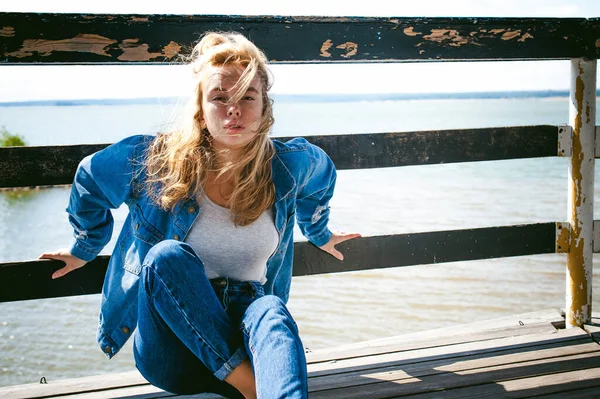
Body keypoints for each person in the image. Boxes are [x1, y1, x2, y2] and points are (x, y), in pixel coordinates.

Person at [39, 32, 360, 399]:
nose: (234, 110)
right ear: (201, 109)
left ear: (264, 107)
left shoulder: (289, 165)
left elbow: (322, 180)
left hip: (245, 326)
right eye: (220, 98)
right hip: (172, 350)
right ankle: (250, 387)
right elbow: (90, 177)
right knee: (166, 257)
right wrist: (85, 246)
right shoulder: (154, 161)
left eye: (246, 98)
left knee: (271, 309)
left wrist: (319, 232)